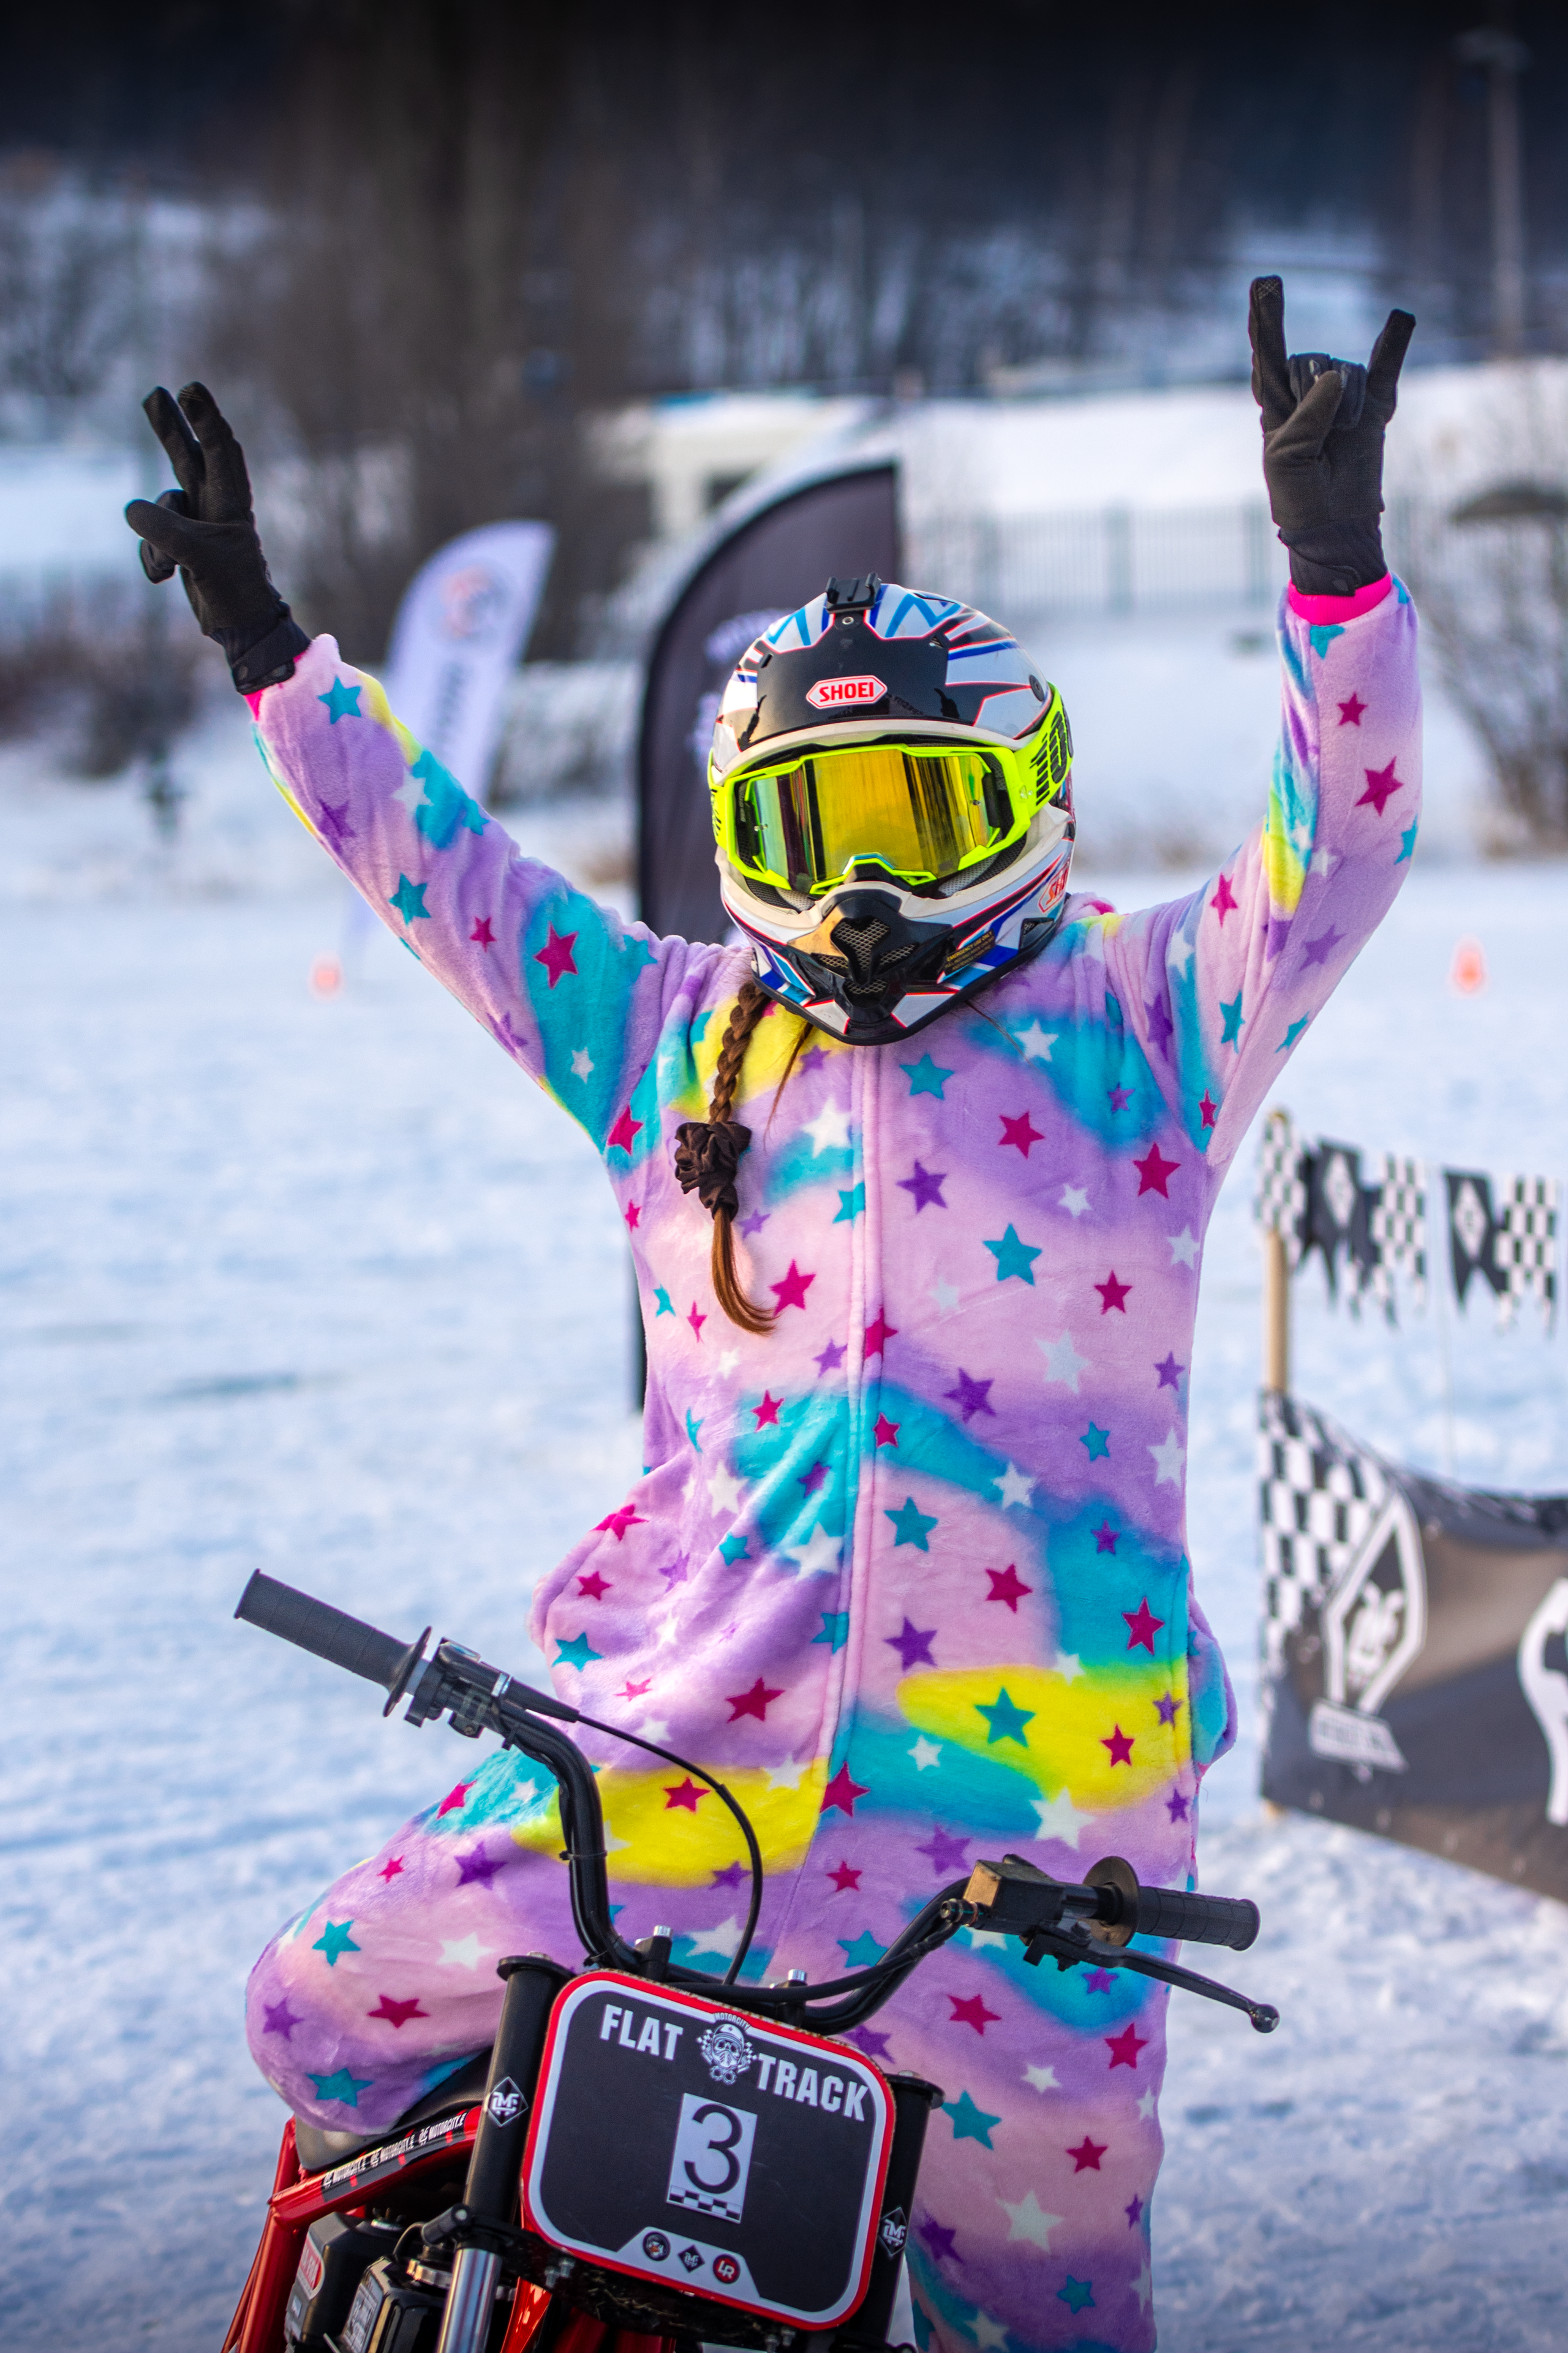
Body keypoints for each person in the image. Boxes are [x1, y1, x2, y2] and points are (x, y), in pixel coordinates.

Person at [127, 276, 1418, 2353]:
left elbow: (1333, 857)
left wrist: (1336, 581)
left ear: (1030, 804)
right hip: (669, 1749)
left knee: (1052, 2304)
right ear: (747, 843)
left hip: (1033, 1826)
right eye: (816, 827)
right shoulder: (675, 1037)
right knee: (318, 2008)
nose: (871, 883)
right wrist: (277, 660)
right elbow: (452, 883)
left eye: (924, 813)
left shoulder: (1148, 1024)